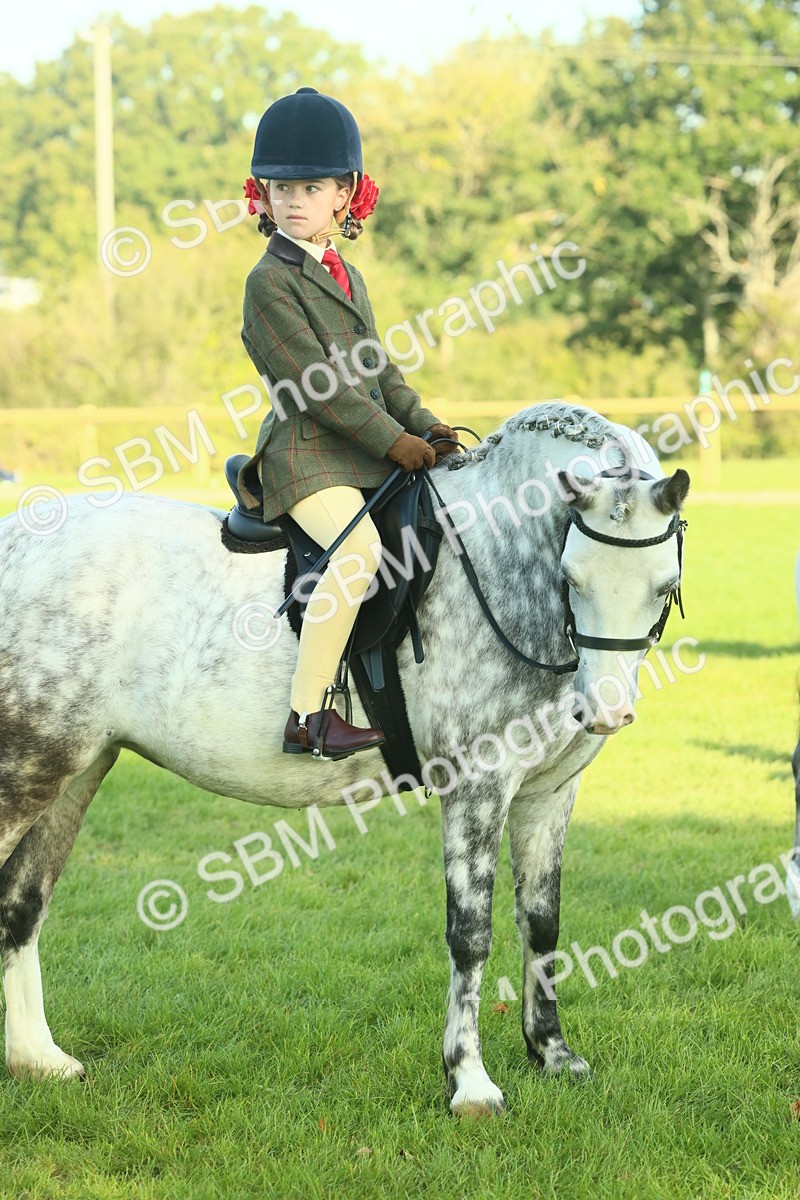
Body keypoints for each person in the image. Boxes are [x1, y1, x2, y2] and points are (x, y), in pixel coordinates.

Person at [235, 86, 458, 761]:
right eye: (281, 188)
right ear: (264, 196)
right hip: (305, 455)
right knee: (358, 553)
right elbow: (319, 387)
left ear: (344, 195)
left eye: (310, 188)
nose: (293, 200)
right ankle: (307, 716)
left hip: (357, 451)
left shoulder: (349, 276)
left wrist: (429, 427)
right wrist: (395, 441)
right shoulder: (267, 283)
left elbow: (378, 372)